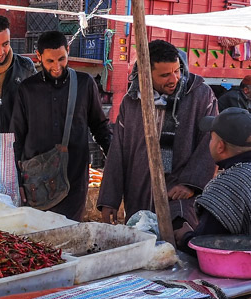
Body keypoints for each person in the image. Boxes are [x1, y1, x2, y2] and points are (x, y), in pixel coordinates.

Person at [98, 40, 217, 225]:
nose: (174, 79)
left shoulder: (200, 95)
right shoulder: (131, 102)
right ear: (146, 74)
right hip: (139, 192)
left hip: (179, 197)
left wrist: (190, 184)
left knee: (176, 247)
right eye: (164, 75)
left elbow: (210, 142)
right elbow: (117, 152)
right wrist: (109, 200)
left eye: (177, 71)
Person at [11, 31, 110, 220]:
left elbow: (100, 126)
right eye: (50, 61)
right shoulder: (27, 89)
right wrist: (17, 182)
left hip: (73, 178)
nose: (57, 67)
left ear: (68, 51)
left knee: (69, 234)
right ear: (38, 57)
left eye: (61, 59)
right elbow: (16, 138)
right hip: (36, 180)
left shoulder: (85, 84)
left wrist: (113, 159)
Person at [175, 108, 251, 251]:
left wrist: (186, 237)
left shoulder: (228, 185)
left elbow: (207, 246)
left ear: (220, 146)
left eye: (212, 138)